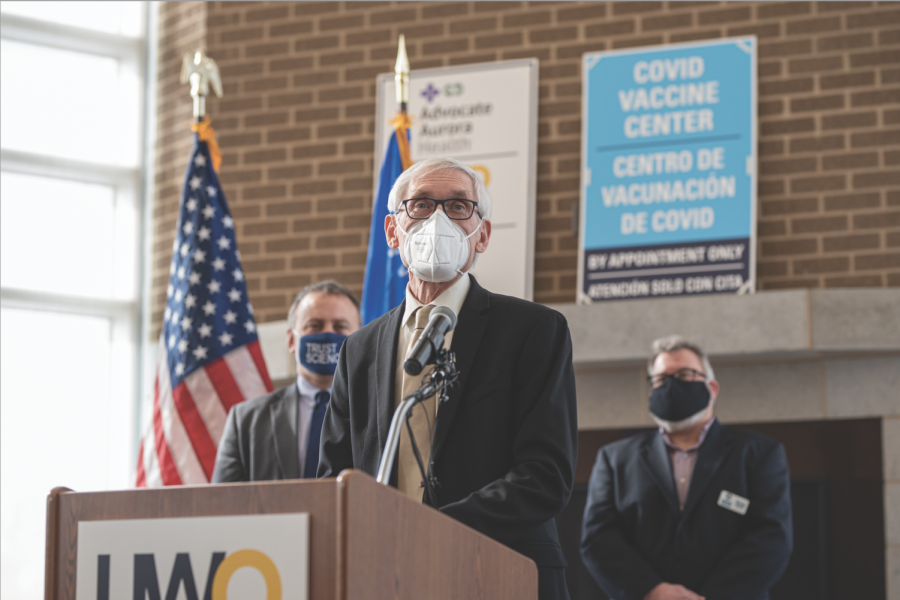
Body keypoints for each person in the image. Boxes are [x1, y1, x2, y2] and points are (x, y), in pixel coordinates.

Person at [318, 157, 578, 600]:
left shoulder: (533, 330)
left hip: (497, 571)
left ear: (483, 235)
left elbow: (545, 475)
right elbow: (335, 479)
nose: (438, 219)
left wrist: (430, 531)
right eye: (419, 205)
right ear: (392, 231)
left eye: (459, 206)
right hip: (382, 576)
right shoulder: (359, 349)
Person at [580, 336, 792, 600]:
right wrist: (655, 592)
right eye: (661, 379)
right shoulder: (614, 459)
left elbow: (772, 537)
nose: (671, 386)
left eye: (684, 374)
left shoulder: (760, 453)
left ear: (712, 387)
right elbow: (598, 539)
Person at [211, 280, 361, 482]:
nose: (327, 334)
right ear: (291, 340)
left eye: (340, 326)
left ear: (360, 339)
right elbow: (223, 503)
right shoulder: (246, 421)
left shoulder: (380, 414)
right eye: (314, 326)